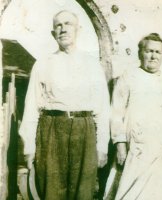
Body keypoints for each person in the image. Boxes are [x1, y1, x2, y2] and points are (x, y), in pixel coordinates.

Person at [19, 10, 110, 200]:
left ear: (78, 29)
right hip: (51, 129)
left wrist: (102, 146)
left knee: (83, 191)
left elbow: (102, 109)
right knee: (51, 190)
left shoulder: (92, 65)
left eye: (68, 24)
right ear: (53, 33)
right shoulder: (43, 64)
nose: (63, 29)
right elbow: (31, 109)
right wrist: (29, 148)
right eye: (58, 25)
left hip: (83, 130)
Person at [111, 33, 162, 200]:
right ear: (140, 53)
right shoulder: (129, 77)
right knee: (128, 192)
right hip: (136, 149)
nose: (153, 56)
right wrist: (120, 144)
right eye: (149, 51)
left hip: (161, 152)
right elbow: (116, 112)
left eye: (158, 52)